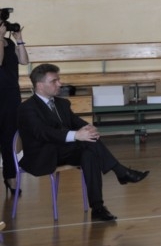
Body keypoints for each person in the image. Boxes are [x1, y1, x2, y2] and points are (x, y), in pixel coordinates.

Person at [17, 64, 149, 222]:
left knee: (89, 153)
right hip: (42, 156)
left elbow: (75, 121)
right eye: (54, 81)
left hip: (63, 151)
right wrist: (77, 135)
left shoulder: (61, 103)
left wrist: (89, 128)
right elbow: (43, 133)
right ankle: (121, 172)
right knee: (87, 143)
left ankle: (98, 207)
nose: (60, 84)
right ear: (40, 85)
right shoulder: (27, 108)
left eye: (59, 80)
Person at [0, 18, 28, 196]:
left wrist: (19, 40)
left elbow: (24, 61)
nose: (3, 26)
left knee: (9, 137)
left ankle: (10, 177)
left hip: (11, 95)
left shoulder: (9, 42)